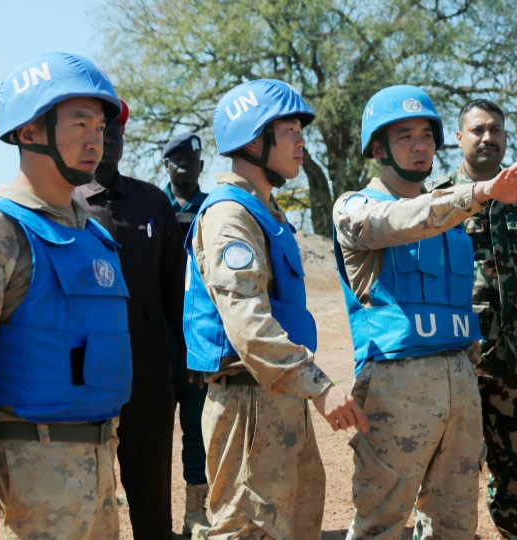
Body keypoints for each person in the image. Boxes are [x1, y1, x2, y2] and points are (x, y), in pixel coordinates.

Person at [0, 52, 127, 538]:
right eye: (79, 121)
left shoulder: (95, 237)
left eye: (100, 125)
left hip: (97, 477)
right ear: (28, 131)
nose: (95, 138)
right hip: (26, 485)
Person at [333, 85, 517, 540]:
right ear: (378, 148)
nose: (419, 144)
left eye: (426, 135)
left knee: (453, 525)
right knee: (381, 522)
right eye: (405, 135)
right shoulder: (355, 206)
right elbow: (401, 220)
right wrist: (479, 193)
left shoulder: (451, 219)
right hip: (395, 385)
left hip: (460, 380)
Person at [185, 79, 366, 539]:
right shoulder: (230, 215)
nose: (302, 142)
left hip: (280, 397)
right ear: (253, 139)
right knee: (250, 530)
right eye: (289, 130)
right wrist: (319, 386)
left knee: (300, 523)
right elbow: (248, 324)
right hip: (248, 405)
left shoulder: (264, 210)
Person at [72, 98, 186, 538]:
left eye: (115, 132)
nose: (110, 141)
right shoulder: (65, 205)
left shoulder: (152, 202)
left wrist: (188, 357)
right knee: (87, 496)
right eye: (102, 132)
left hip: (148, 377)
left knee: (152, 492)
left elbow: (176, 288)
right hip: (84, 380)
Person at [434, 98, 517, 539]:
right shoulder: (437, 198)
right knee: (445, 468)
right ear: (459, 138)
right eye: (477, 130)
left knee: (514, 469)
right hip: (456, 360)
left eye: (495, 130)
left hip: (513, 363)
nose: (487, 137)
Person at [161, 131, 211, 537]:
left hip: (195, 340)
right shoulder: (151, 206)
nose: (184, 167)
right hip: (156, 341)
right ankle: (155, 513)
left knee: (197, 429)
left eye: (191, 161)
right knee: (152, 433)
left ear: (201, 167)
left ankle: (196, 512)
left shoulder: (213, 209)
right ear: (166, 166)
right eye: (176, 161)